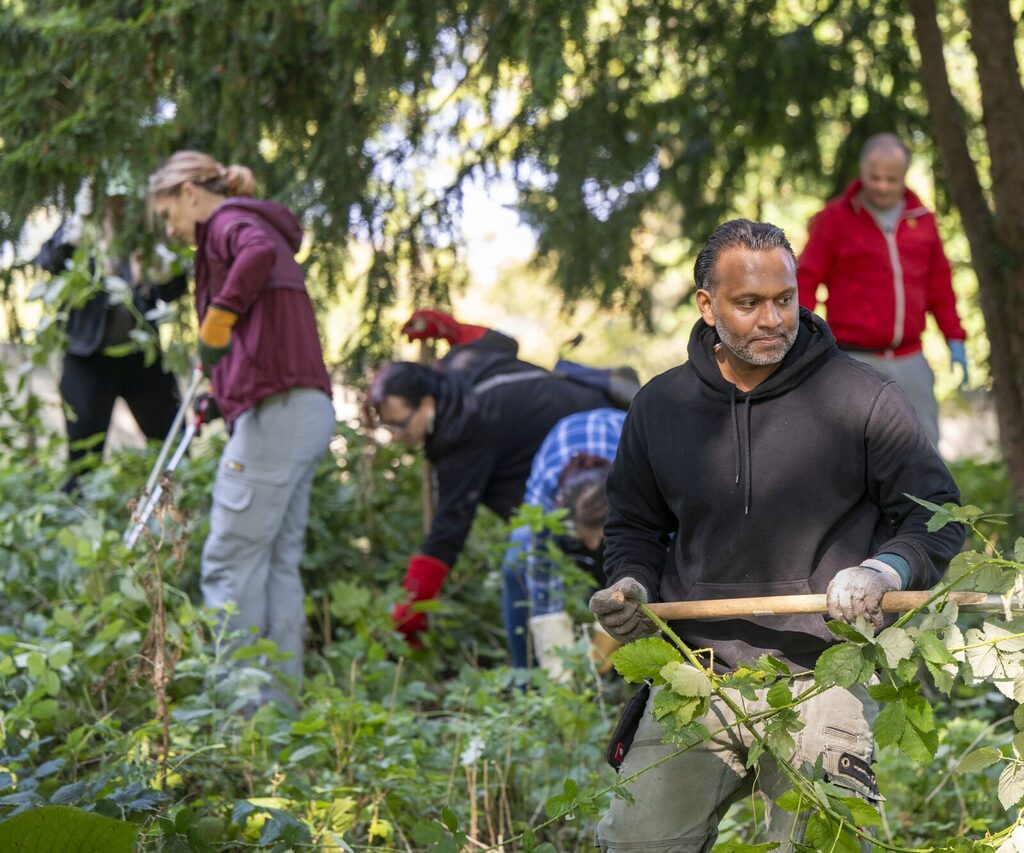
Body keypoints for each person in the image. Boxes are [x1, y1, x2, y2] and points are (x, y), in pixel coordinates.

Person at [590, 219, 964, 850]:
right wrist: (630, 586)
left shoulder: (863, 397)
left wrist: (883, 572)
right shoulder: (660, 407)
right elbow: (634, 527)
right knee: (635, 843)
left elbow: (934, 513)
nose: (772, 320)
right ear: (708, 306)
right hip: (694, 675)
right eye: (749, 304)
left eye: (784, 300)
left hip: (824, 676)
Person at [147, 151, 335, 704]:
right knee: (276, 559)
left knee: (231, 560)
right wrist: (219, 397)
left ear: (187, 191)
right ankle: (277, 707)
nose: (172, 229)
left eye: (166, 215)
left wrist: (220, 312)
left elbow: (249, 265)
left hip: (277, 414)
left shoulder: (228, 225)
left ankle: (239, 713)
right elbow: (262, 341)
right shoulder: (252, 223)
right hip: (301, 409)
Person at [367, 338, 619, 645]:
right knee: (542, 559)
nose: (396, 436)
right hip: (583, 433)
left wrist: (411, 606)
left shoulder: (464, 432)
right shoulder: (459, 367)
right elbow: (502, 342)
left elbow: (448, 529)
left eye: (400, 424)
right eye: (388, 427)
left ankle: (531, 677)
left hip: (601, 460)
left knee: (588, 561)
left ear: (427, 403)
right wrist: (457, 331)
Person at [796, 132, 967, 448]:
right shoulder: (834, 219)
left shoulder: (922, 219)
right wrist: (801, 336)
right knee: (851, 449)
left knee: (923, 447)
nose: (883, 186)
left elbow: (939, 284)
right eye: (875, 178)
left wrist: (954, 337)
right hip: (852, 358)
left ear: (904, 177)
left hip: (910, 357)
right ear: (862, 173)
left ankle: (921, 501)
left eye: (892, 178)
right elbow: (806, 280)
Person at [35, 190, 186, 489]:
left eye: (127, 200)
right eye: (114, 199)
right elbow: (50, 261)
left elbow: (174, 288)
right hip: (87, 360)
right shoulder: (84, 232)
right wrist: (78, 224)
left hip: (143, 361)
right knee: (82, 457)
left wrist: (159, 263)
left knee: (173, 443)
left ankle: (183, 504)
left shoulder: (149, 237)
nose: (121, 206)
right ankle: (77, 521)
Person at [499, 406, 625, 670]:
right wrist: (556, 661)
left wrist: (609, 632)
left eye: (597, 533)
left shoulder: (633, 482)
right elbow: (541, 572)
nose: (592, 545)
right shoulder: (547, 495)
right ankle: (525, 674)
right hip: (563, 442)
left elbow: (661, 544)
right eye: (583, 536)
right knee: (516, 563)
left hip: (619, 441)